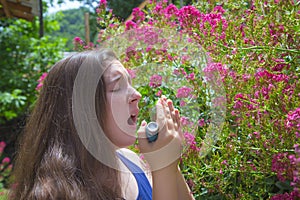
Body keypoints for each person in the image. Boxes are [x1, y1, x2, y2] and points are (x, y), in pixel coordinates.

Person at [9, 49, 194, 200]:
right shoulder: (56, 192)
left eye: (130, 83)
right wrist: (162, 166)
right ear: (83, 108)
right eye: (117, 87)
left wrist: (168, 161)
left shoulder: (131, 161)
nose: (137, 94)